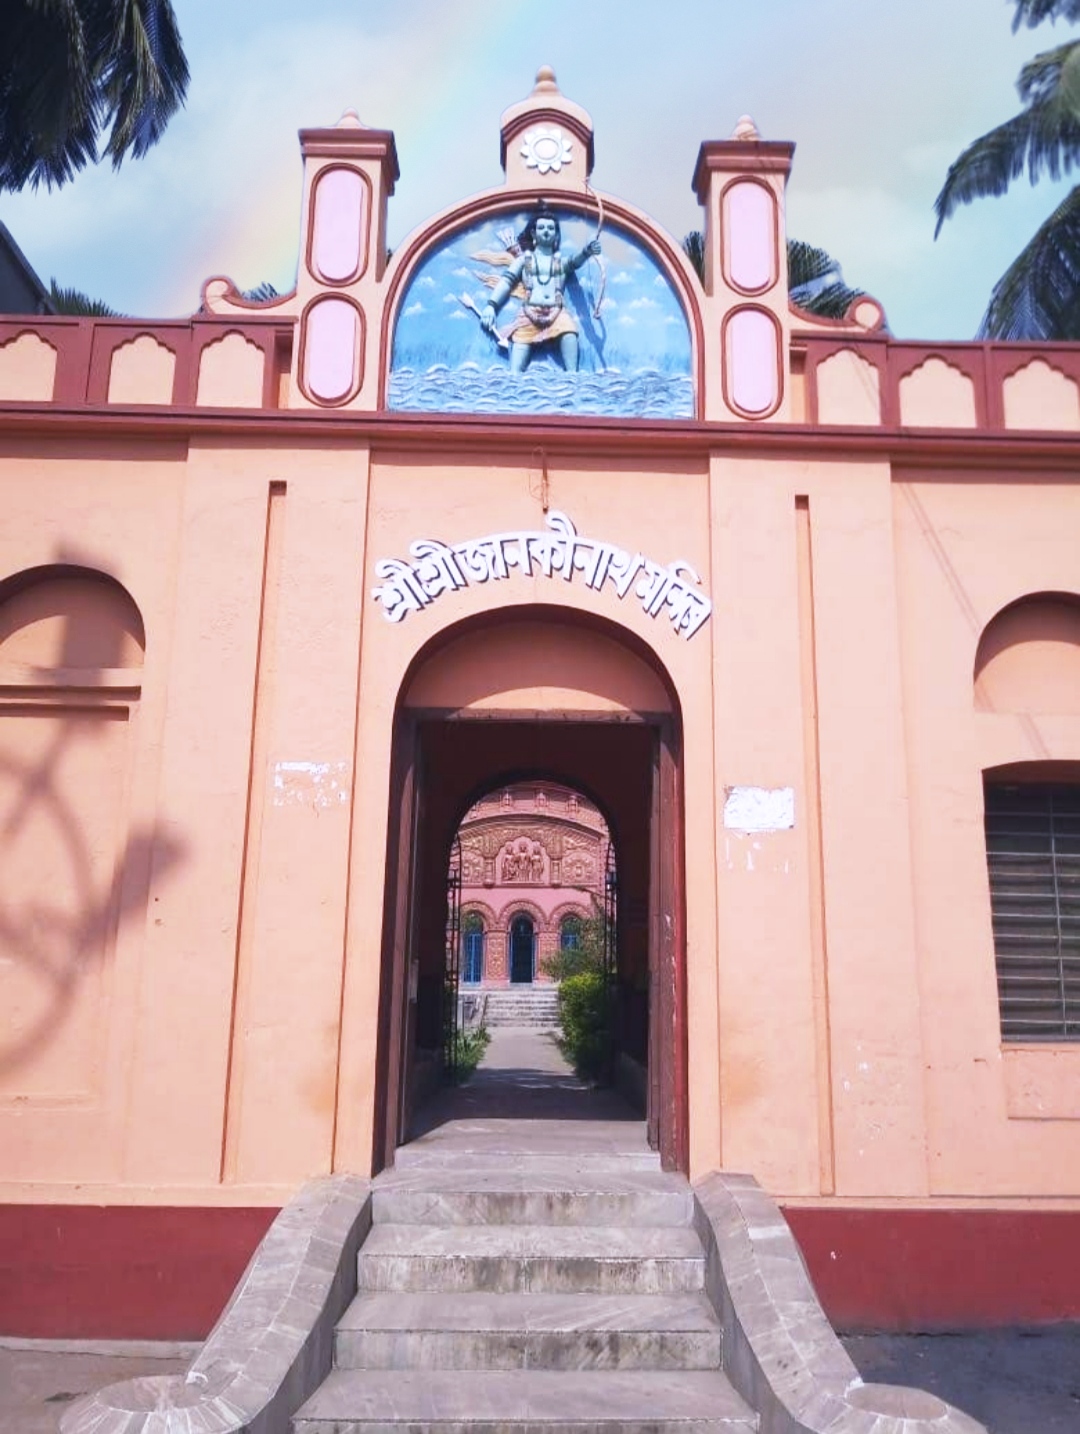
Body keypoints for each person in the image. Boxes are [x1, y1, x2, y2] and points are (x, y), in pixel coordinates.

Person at [481, 210, 601, 373]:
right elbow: (506, 282)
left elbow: (575, 261)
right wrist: (491, 306)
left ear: (556, 234)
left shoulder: (560, 262)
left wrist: (587, 252)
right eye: (542, 228)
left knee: (570, 332)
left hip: (557, 312)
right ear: (533, 233)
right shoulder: (524, 261)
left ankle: (573, 379)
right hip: (528, 313)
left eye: (551, 228)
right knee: (515, 372)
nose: (546, 231)